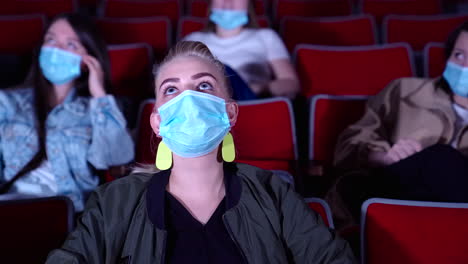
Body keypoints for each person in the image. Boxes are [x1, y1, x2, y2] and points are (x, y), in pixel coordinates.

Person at [46, 41, 355, 263]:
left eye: (204, 86)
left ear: (230, 114)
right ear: (157, 122)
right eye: (171, 89)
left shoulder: (272, 192)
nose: (188, 98)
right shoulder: (115, 201)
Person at [329, 21, 468, 227]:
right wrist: (384, 157)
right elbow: (348, 145)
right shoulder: (404, 90)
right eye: (459, 55)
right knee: (440, 158)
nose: (464, 66)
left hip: (452, 209)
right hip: (395, 190)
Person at [0, 13, 134, 212]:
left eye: (71, 45)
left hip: (71, 213)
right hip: (12, 208)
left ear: (88, 60)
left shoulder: (98, 110)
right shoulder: (7, 102)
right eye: (51, 39)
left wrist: (99, 94)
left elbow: (115, 159)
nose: (56, 50)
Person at [184, 0, 300, 99]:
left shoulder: (266, 36)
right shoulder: (193, 39)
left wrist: (261, 88)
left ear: (248, 4)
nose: (228, 4)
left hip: (250, 102)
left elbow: (291, 83)